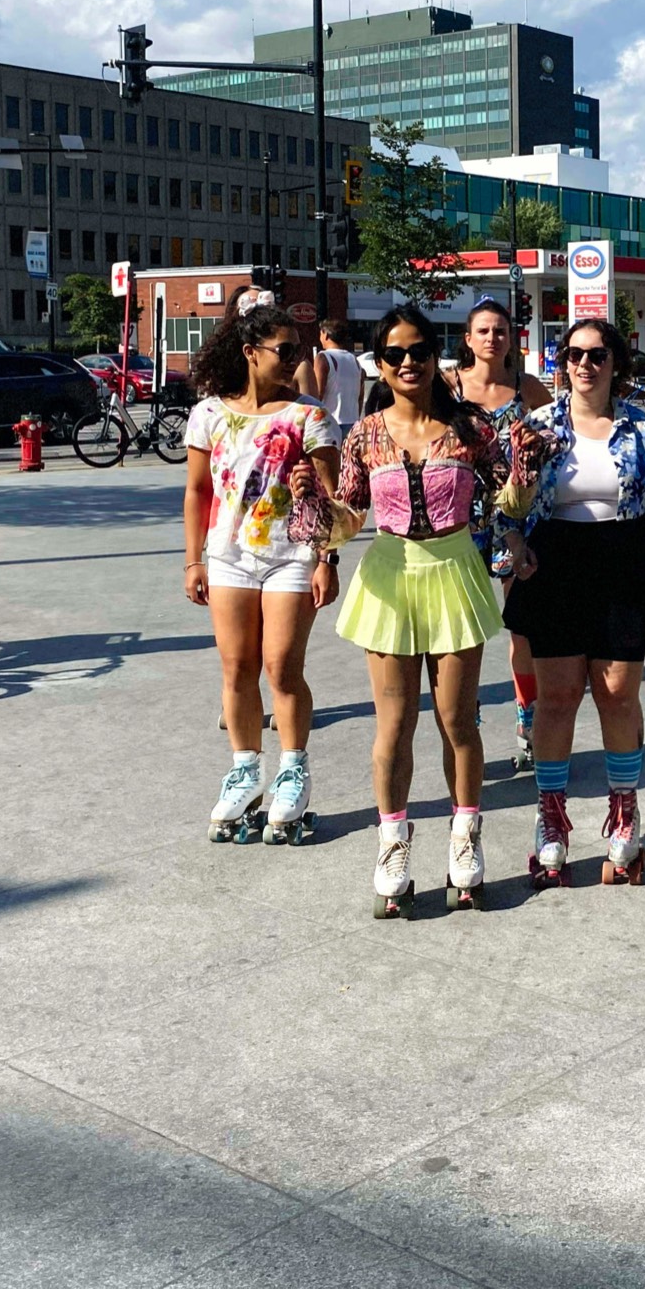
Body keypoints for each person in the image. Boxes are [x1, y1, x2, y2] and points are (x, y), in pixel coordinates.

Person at [320, 306, 535, 917]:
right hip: (390, 575)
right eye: (395, 354)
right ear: (379, 364)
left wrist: (523, 472)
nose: (409, 362)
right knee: (394, 725)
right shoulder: (364, 434)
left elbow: (508, 501)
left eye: (418, 350)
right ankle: (393, 843)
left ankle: (465, 839)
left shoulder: (470, 428)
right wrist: (316, 518)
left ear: (435, 355)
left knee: (457, 720)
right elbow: (348, 515)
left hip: (453, 570)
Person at [502, 318, 645, 888]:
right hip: (555, 561)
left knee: (617, 695)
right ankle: (552, 819)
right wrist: (514, 543)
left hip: (622, 559)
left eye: (598, 355)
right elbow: (508, 504)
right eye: (575, 354)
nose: (585, 365)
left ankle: (623, 810)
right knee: (557, 698)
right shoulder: (536, 426)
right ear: (562, 362)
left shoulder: (641, 428)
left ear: (616, 363)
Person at [182, 303, 343, 847]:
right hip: (228, 555)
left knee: (281, 667)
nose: (295, 359)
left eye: (299, 350)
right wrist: (194, 558)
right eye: (284, 350)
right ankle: (245, 770)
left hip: (292, 555)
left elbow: (334, 500)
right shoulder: (209, 414)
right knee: (236, 667)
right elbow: (199, 491)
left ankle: (293, 770)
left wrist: (326, 557)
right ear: (250, 354)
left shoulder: (311, 417)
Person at [452, 298, 552, 774]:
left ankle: (527, 722)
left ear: (512, 338)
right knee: (464, 630)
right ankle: (464, 723)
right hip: (459, 518)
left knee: (523, 625)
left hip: (517, 519)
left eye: (501, 330)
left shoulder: (527, 388)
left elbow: (560, 437)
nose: (493, 338)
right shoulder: (449, 387)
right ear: (468, 339)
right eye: (484, 331)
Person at [296, 319, 363, 448]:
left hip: (331, 422)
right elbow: (360, 396)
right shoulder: (354, 360)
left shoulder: (323, 357)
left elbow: (318, 393)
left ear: (325, 335)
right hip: (353, 423)